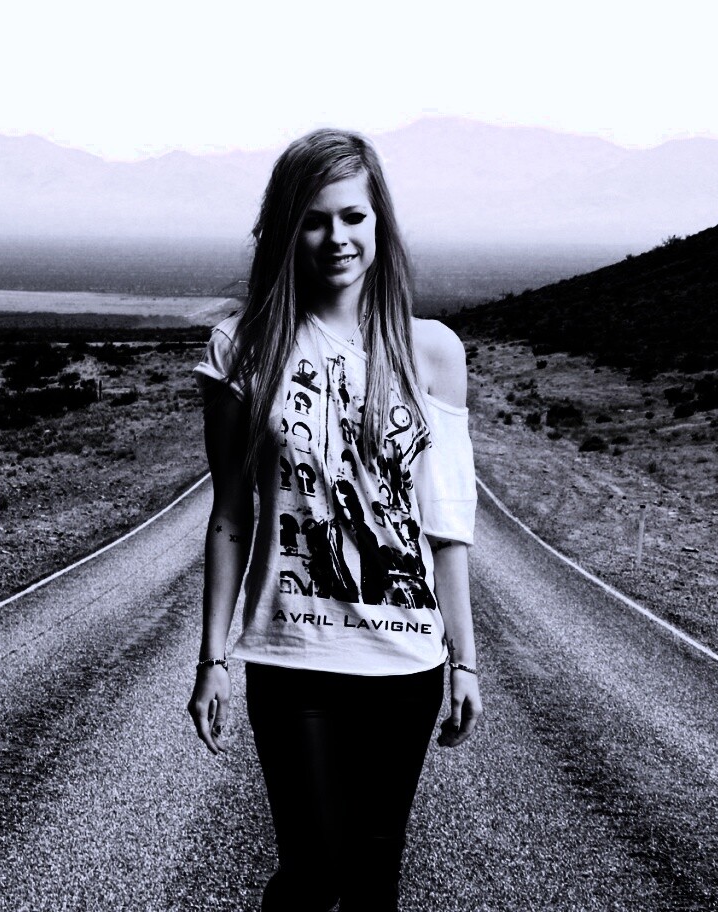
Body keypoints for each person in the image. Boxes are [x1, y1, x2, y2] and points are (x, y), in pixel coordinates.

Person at [187, 128, 482, 912]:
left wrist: (465, 661)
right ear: (288, 230)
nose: (337, 238)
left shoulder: (432, 352)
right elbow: (230, 518)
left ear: (380, 222)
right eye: (314, 220)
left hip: (405, 665)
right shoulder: (242, 347)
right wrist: (212, 659)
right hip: (293, 660)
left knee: (375, 879)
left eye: (353, 216)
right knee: (314, 871)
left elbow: (447, 521)